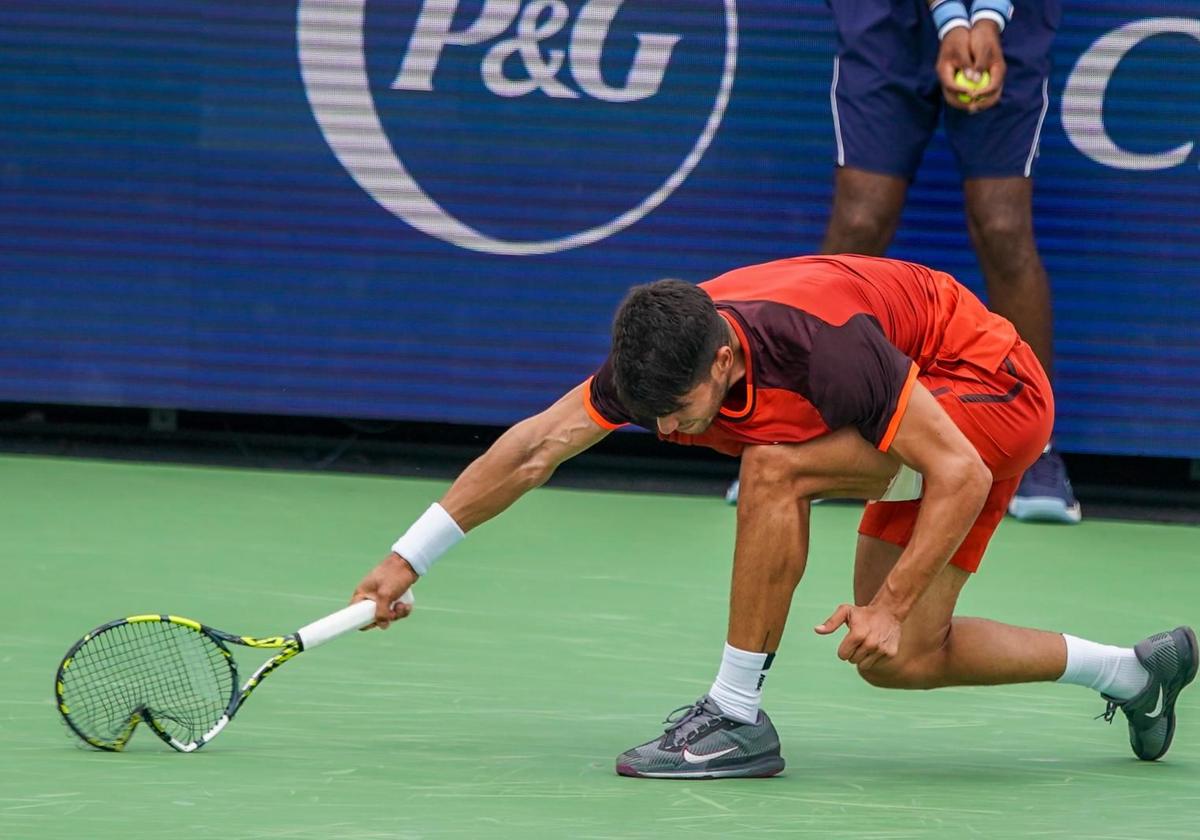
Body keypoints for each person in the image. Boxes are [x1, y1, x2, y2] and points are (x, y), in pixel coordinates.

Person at [351, 255, 1195, 779]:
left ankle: (734, 716)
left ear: (723, 358)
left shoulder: (822, 347)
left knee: (775, 470)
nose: (672, 432)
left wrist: (889, 602)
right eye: (656, 420)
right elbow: (536, 448)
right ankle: (1133, 673)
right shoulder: (663, 358)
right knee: (902, 661)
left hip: (990, 393)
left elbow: (960, 472)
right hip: (932, 423)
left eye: (680, 412)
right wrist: (408, 558)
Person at [726, 0, 1078, 521]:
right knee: (860, 219)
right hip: (887, 19)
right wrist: (953, 21)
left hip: (1012, 19)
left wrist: (987, 19)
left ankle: (1037, 454)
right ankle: (805, 431)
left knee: (1003, 227)